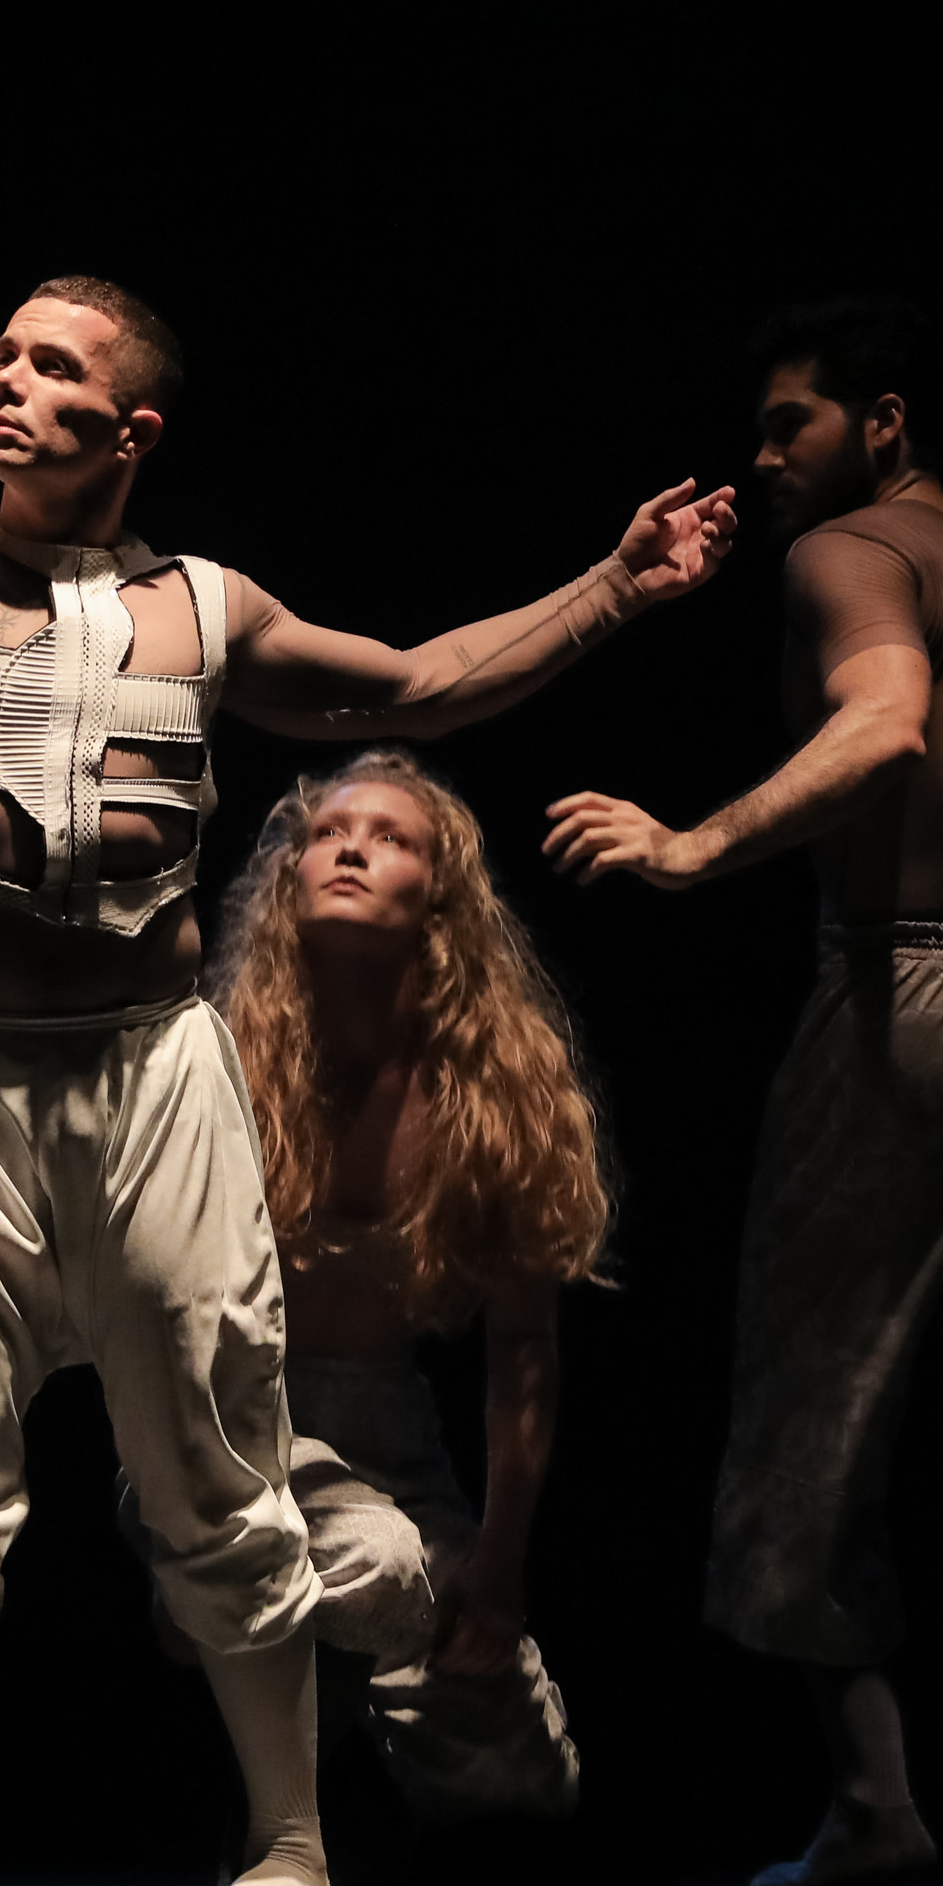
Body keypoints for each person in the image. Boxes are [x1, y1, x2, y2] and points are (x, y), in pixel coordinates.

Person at [0, 25, 738, 1886]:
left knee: (223, 1465)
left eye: (56, 369)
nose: (6, 384)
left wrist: (612, 590)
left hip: (154, 1081)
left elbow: (423, 687)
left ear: (130, 431)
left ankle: (287, 1852)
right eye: (3, 354)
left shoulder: (210, 611)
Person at [542, 298, 943, 1886]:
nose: (762, 462)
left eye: (788, 428)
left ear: (882, 424)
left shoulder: (853, 557)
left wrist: (691, 847)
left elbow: (886, 723)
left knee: (810, 1403)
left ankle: (879, 1804)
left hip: (909, 990)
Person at [201, 749, 613, 1826]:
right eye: (332, 832)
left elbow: (524, 1351)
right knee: (376, 1566)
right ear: (291, 877)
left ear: (441, 900)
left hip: (391, 1435)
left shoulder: (495, 1088)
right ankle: (279, 1827)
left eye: (392, 839)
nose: (350, 848)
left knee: (531, 1802)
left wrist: (498, 1562)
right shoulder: (219, 1056)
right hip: (232, 1424)